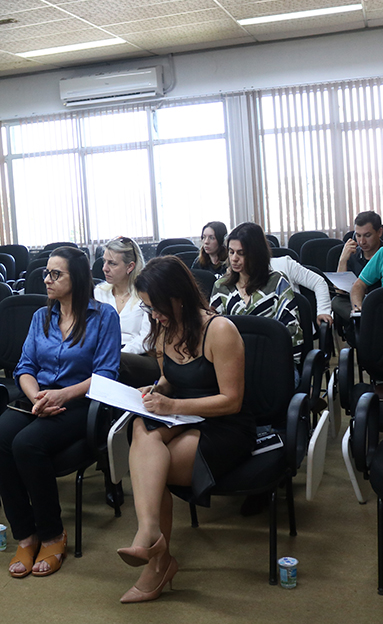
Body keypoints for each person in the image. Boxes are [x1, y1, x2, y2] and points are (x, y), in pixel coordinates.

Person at [118, 256, 252, 603]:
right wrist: (156, 390)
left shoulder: (219, 330)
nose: (153, 315)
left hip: (223, 425)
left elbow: (231, 400)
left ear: (178, 297)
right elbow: (169, 380)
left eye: (156, 306)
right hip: (182, 418)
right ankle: (152, 539)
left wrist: (172, 406)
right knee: (140, 427)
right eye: (147, 308)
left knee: (152, 469)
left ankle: (158, 560)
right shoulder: (163, 328)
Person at [0, 247, 120, 578]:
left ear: (79, 279)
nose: (46, 279)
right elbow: (25, 367)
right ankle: (26, 535)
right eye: (46, 272)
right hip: (38, 397)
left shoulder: (104, 317)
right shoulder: (40, 316)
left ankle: (53, 534)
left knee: (26, 445)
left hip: (81, 403)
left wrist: (62, 394)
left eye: (56, 274)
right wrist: (38, 397)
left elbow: (106, 374)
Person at [210, 223, 304, 364]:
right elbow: (213, 332)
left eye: (241, 253)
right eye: (231, 252)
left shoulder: (277, 282)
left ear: (256, 254)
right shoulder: (221, 286)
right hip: (233, 363)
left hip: (273, 363)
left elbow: (291, 331)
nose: (234, 258)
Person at [95, 236, 157, 387]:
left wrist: (114, 353)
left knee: (114, 362)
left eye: (112, 263)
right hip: (106, 354)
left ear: (130, 267)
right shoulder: (99, 292)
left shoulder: (145, 294)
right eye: (104, 261)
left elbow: (147, 339)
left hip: (141, 356)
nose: (104, 268)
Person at [332, 211, 383, 325]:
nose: (362, 241)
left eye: (367, 235)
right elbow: (339, 291)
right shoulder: (353, 254)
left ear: (379, 232)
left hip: (381, 302)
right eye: (358, 235)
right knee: (337, 302)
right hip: (356, 303)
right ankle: (362, 321)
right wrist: (343, 260)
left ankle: (362, 322)